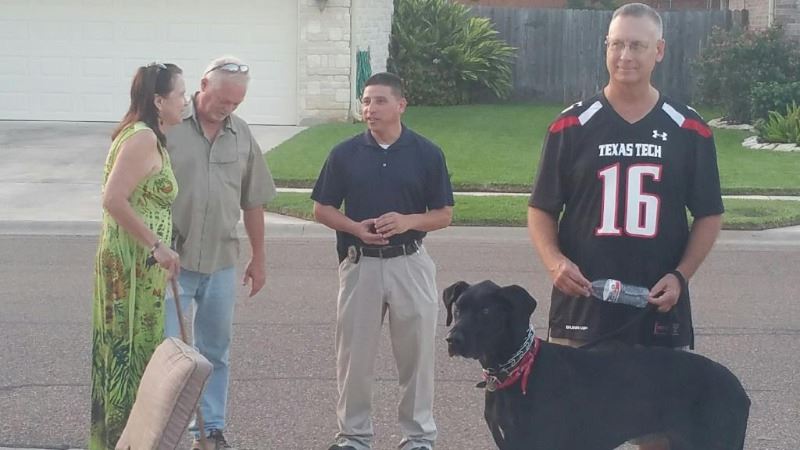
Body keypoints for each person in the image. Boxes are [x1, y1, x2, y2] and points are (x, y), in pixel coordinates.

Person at [527, 4, 724, 449]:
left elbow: (709, 213)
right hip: (583, 307)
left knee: (658, 433)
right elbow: (541, 208)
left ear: (660, 51)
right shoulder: (571, 123)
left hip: (656, 306)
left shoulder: (689, 127)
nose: (625, 55)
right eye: (616, 44)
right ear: (605, 49)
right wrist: (554, 262)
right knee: (574, 432)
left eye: (637, 44)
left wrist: (681, 276)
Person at [312, 72, 454, 450]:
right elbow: (322, 208)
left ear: (400, 105)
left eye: (378, 101)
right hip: (361, 265)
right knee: (354, 358)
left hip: (411, 263)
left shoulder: (427, 153)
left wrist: (409, 221)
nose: (369, 109)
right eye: (365, 101)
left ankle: (418, 437)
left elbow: (443, 214)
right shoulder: (344, 154)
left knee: (417, 356)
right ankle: (353, 437)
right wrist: (355, 228)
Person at [164, 56, 276, 450]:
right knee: (166, 356)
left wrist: (259, 259)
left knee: (215, 352)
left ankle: (209, 430)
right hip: (171, 264)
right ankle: (160, 431)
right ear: (202, 86)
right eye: (223, 100)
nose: (227, 109)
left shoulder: (241, 134)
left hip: (221, 262)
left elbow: (254, 201)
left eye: (236, 103)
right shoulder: (168, 128)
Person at [90, 62, 185, 449]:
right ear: (159, 101)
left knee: (138, 356)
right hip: (130, 267)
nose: (186, 101)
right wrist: (156, 245)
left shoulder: (149, 136)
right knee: (129, 359)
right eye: (180, 94)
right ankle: (123, 441)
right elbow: (113, 199)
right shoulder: (142, 138)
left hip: (142, 267)